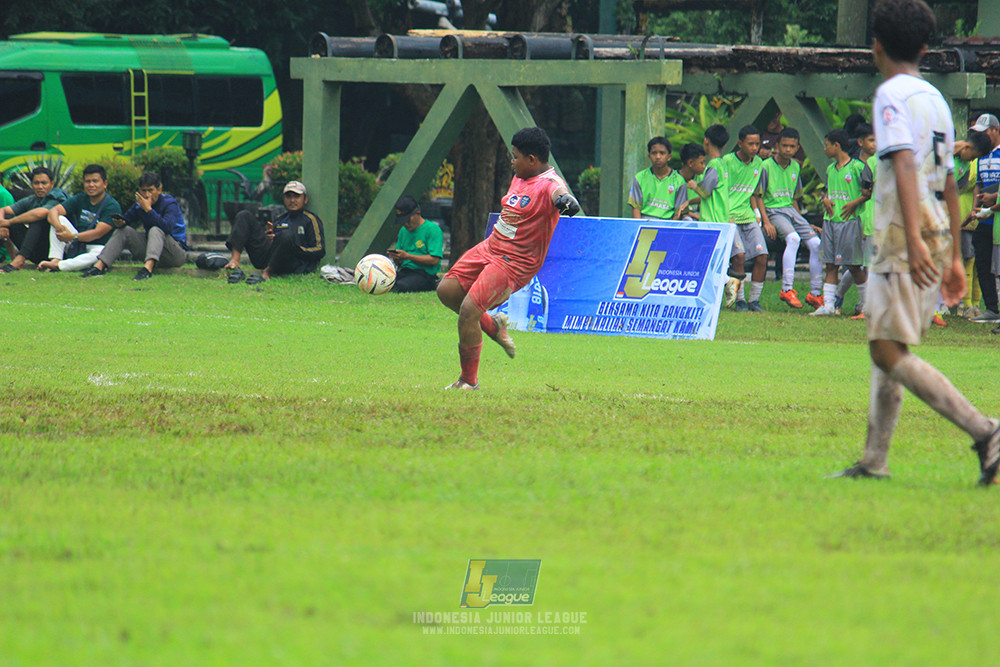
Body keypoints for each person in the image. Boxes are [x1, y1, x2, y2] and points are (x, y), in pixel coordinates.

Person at [831, 0, 1000, 484]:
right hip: (935, 223)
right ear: (925, 49)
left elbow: (904, 162)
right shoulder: (935, 99)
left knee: (887, 351)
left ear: (876, 46)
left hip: (903, 229)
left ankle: (986, 431)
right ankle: (874, 461)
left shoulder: (890, 95)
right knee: (888, 341)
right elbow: (947, 177)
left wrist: (914, 238)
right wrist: (952, 255)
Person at [436, 126, 579, 390]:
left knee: (468, 312)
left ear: (532, 160)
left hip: (514, 262)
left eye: (515, 157)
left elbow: (559, 193)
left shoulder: (549, 183)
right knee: (446, 291)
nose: (512, 161)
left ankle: (468, 381)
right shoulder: (521, 175)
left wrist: (567, 201)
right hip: (491, 246)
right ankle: (493, 326)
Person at [758, 127, 823, 309]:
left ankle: (815, 294)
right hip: (773, 210)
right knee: (793, 239)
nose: (788, 149)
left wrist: (804, 222)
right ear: (777, 146)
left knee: (816, 244)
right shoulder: (766, 166)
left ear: (797, 148)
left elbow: (794, 199)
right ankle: (787, 289)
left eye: (792, 146)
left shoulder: (795, 166)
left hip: (791, 211)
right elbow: (758, 196)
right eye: (784, 145)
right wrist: (766, 221)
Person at [81, 171, 187, 280]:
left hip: (174, 253)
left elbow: (167, 227)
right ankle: (99, 266)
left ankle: (147, 270)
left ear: (159, 190)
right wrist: (120, 222)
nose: (147, 195)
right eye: (143, 191)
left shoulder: (169, 203)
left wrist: (149, 210)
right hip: (153, 251)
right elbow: (127, 219)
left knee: (155, 229)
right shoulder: (139, 204)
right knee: (124, 231)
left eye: (150, 190)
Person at [810, 129, 871, 316]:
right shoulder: (830, 169)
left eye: (827, 145)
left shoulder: (858, 167)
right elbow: (828, 191)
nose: (824, 149)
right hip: (830, 221)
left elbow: (867, 193)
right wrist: (826, 199)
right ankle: (828, 305)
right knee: (830, 264)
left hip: (849, 222)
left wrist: (854, 204)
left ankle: (867, 305)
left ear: (836, 146)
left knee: (853, 266)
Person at [222, 181, 326, 284]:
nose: (292, 200)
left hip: (293, 262)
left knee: (286, 235)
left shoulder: (310, 220)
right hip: (269, 258)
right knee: (244, 215)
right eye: (288, 197)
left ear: (305, 199)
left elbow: (320, 250)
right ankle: (234, 261)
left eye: (296, 196)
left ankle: (268, 272)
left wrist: (296, 249)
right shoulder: (279, 218)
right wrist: (270, 238)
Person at [724, 125, 774, 312]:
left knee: (762, 256)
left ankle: (754, 300)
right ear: (740, 143)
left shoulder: (759, 163)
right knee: (739, 257)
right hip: (729, 217)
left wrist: (758, 215)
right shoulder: (727, 162)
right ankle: (740, 300)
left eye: (757, 144)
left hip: (748, 217)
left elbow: (755, 193)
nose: (754, 148)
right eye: (750, 144)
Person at [39, 164, 121, 272]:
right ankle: (55, 259)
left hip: (96, 246)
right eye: (87, 181)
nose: (91, 185)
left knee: (100, 253)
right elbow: (53, 211)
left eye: (95, 181)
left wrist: (72, 237)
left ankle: (59, 266)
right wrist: (60, 228)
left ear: (105, 184)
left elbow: (98, 233)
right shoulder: (80, 198)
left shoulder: (112, 205)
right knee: (59, 219)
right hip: (77, 244)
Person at [833, 123, 878, 318]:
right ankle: (847, 299)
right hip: (859, 218)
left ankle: (860, 303)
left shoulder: (879, 162)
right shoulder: (855, 166)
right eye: (871, 140)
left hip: (876, 218)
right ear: (860, 142)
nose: (875, 144)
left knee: (865, 264)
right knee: (856, 264)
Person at [0, 167, 68, 272]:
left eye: (44, 183)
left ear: (52, 184)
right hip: (36, 252)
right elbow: (4, 210)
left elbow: (41, 213)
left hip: (59, 250)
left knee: (38, 219)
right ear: (32, 184)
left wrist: (8, 222)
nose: (40, 187)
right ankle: (16, 259)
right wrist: (2, 223)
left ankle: (19, 261)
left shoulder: (57, 196)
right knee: (8, 217)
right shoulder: (33, 199)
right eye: (37, 183)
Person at [956, 131, 992, 317]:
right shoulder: (966, 161)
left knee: (978, 261)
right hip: (963, 211)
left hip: (980, 214)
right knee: (968, 258)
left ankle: (976, 304)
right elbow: (968, 183)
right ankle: (965, 304)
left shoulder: (978, 160)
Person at [969, 112, 1000, 322]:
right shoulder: (981, 156)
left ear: (996, 130)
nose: (982, 137)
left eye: (985, 132)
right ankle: (991, 308)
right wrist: (975, 209)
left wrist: (994, 197)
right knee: (982, 262)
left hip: (998, 217)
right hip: (985, 218)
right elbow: (978, 185)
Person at [387, 194, 443, 292]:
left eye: (407, 220)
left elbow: (434, 260)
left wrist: (408, 256)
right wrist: (397, 257)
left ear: (417, 213)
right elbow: (400, 262)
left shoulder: (432, 229)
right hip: (405, 271)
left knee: (401, 286)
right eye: (402, 221)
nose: (405, 224)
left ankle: (434, 284)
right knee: (385, 283)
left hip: (425, 274)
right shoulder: (403, 231)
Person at [627, 137, 687, 220]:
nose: (658, 157)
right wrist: (640, 225)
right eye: (654, 153)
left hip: (667, 222)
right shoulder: (640, 178)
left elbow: (678, 212)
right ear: (649, 156)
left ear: (669, 157)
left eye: (662, 153)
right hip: (645, 221)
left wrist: (669, 227)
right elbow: (636, 208)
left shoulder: (679, 181)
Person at [675, 143, 706, 220]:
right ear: (690, 163)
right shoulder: (674, 180)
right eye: (701, 163)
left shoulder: (702, 178)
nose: (704, 166)